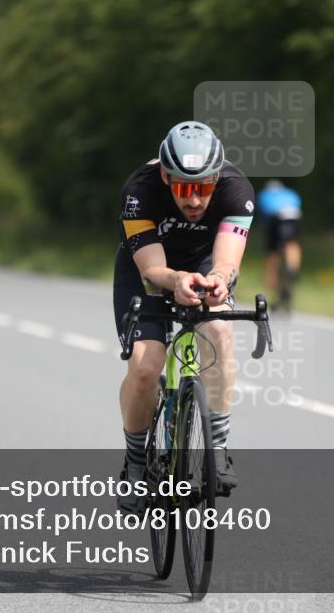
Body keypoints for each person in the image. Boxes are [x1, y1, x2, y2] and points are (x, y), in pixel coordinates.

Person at [114, 121, 255, 514]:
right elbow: (151, 270)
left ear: (217, 177)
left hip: (204, 261)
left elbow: (227, 261)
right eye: (181, 187)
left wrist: (220, 281)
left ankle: (220, 448)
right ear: (164, 175)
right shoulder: (139, 192)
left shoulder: (237, 189)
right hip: (149, 267)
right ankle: (137, 465)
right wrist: (175, 280)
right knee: (145, 367)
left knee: (220, 332)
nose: (194, 200)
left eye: (204, 187)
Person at [258, 179, 302, 311]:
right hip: (294, 216)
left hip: (275, 219)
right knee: (292, 242)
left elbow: (264, 216)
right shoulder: (290, 193)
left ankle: (274, 285)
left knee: (273, 254)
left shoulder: (265, 195)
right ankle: (293, 266)